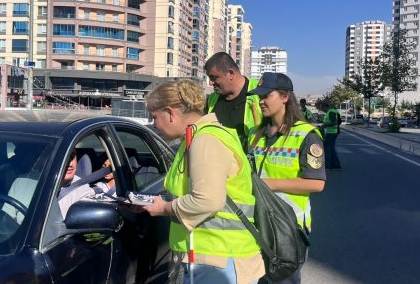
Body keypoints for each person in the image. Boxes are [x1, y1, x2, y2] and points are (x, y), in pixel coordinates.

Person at [142, 79, 264, 284]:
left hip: (220, 259)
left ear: (170, 113)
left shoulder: (206, 140)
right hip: (212, 256)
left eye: (155, 117)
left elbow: (208, 200)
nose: (154, 124)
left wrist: (164, 208)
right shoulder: (195, 137)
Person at [247, 72, 326, 284]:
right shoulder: (255, 133)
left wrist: (267, 184)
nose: (261, 101)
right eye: (259, 96)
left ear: (284, 97)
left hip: (287, 228)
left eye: (266, 95)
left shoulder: (306, 135)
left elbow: (316, 183)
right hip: (256, 224)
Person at [5, 150, 95, 222]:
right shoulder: (21, 183)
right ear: (46, 159)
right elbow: (6, 220)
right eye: (63, 158)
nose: (70, 164)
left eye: (72, 157)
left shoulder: (83, 191)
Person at [204, 52, 262, 150]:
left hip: (249, 162)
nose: (210, 83)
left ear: (231, 74)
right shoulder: (211, 99)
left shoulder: (260, 93)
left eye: (214, 78)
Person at [320, 101, 342, 170]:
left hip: (331, 132)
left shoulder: (331, 112)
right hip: (332, 132)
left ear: (325, 107)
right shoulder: (331, 112)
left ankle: (328, 165)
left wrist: (324, 125)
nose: (322, 110)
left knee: (327, 149)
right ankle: (335, 164)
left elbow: (334, 122)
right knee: (331, 149)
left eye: (322, 109)